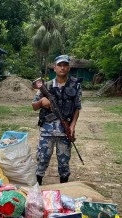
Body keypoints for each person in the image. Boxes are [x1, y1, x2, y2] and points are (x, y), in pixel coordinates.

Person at [32, 54, 82, 185]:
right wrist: (41, 101)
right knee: (42, 161)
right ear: (55, 68)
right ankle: (37, 189)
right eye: (60, 65)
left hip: (65, 132)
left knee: (64, 164)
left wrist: (72, 127)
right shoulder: (46, 86)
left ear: (69, 68)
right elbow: (34, 106)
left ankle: (63, 190)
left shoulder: (75, 85)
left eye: (65, 65)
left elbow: (77, 108)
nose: (62, 68)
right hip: (47, 131)